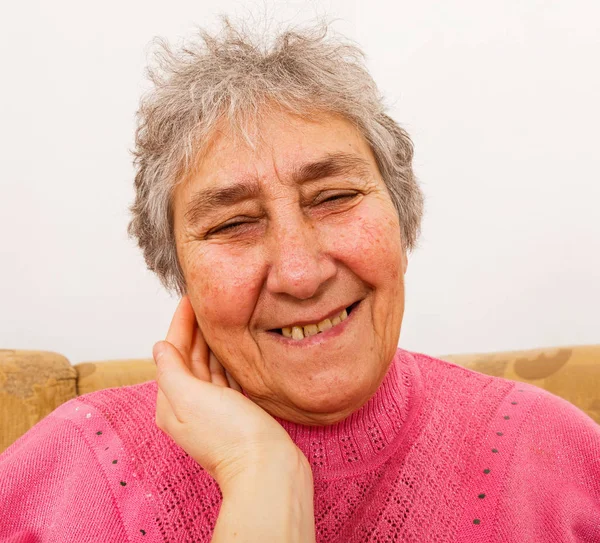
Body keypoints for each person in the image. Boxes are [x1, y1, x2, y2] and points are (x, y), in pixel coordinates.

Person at [1, 15, 599, 543]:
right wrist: (258, 473)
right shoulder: (64, 473)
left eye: (334, 197)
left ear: (402, 219)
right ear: (178, 272)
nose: (300, 273)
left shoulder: (559, 458)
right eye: (234, 223)